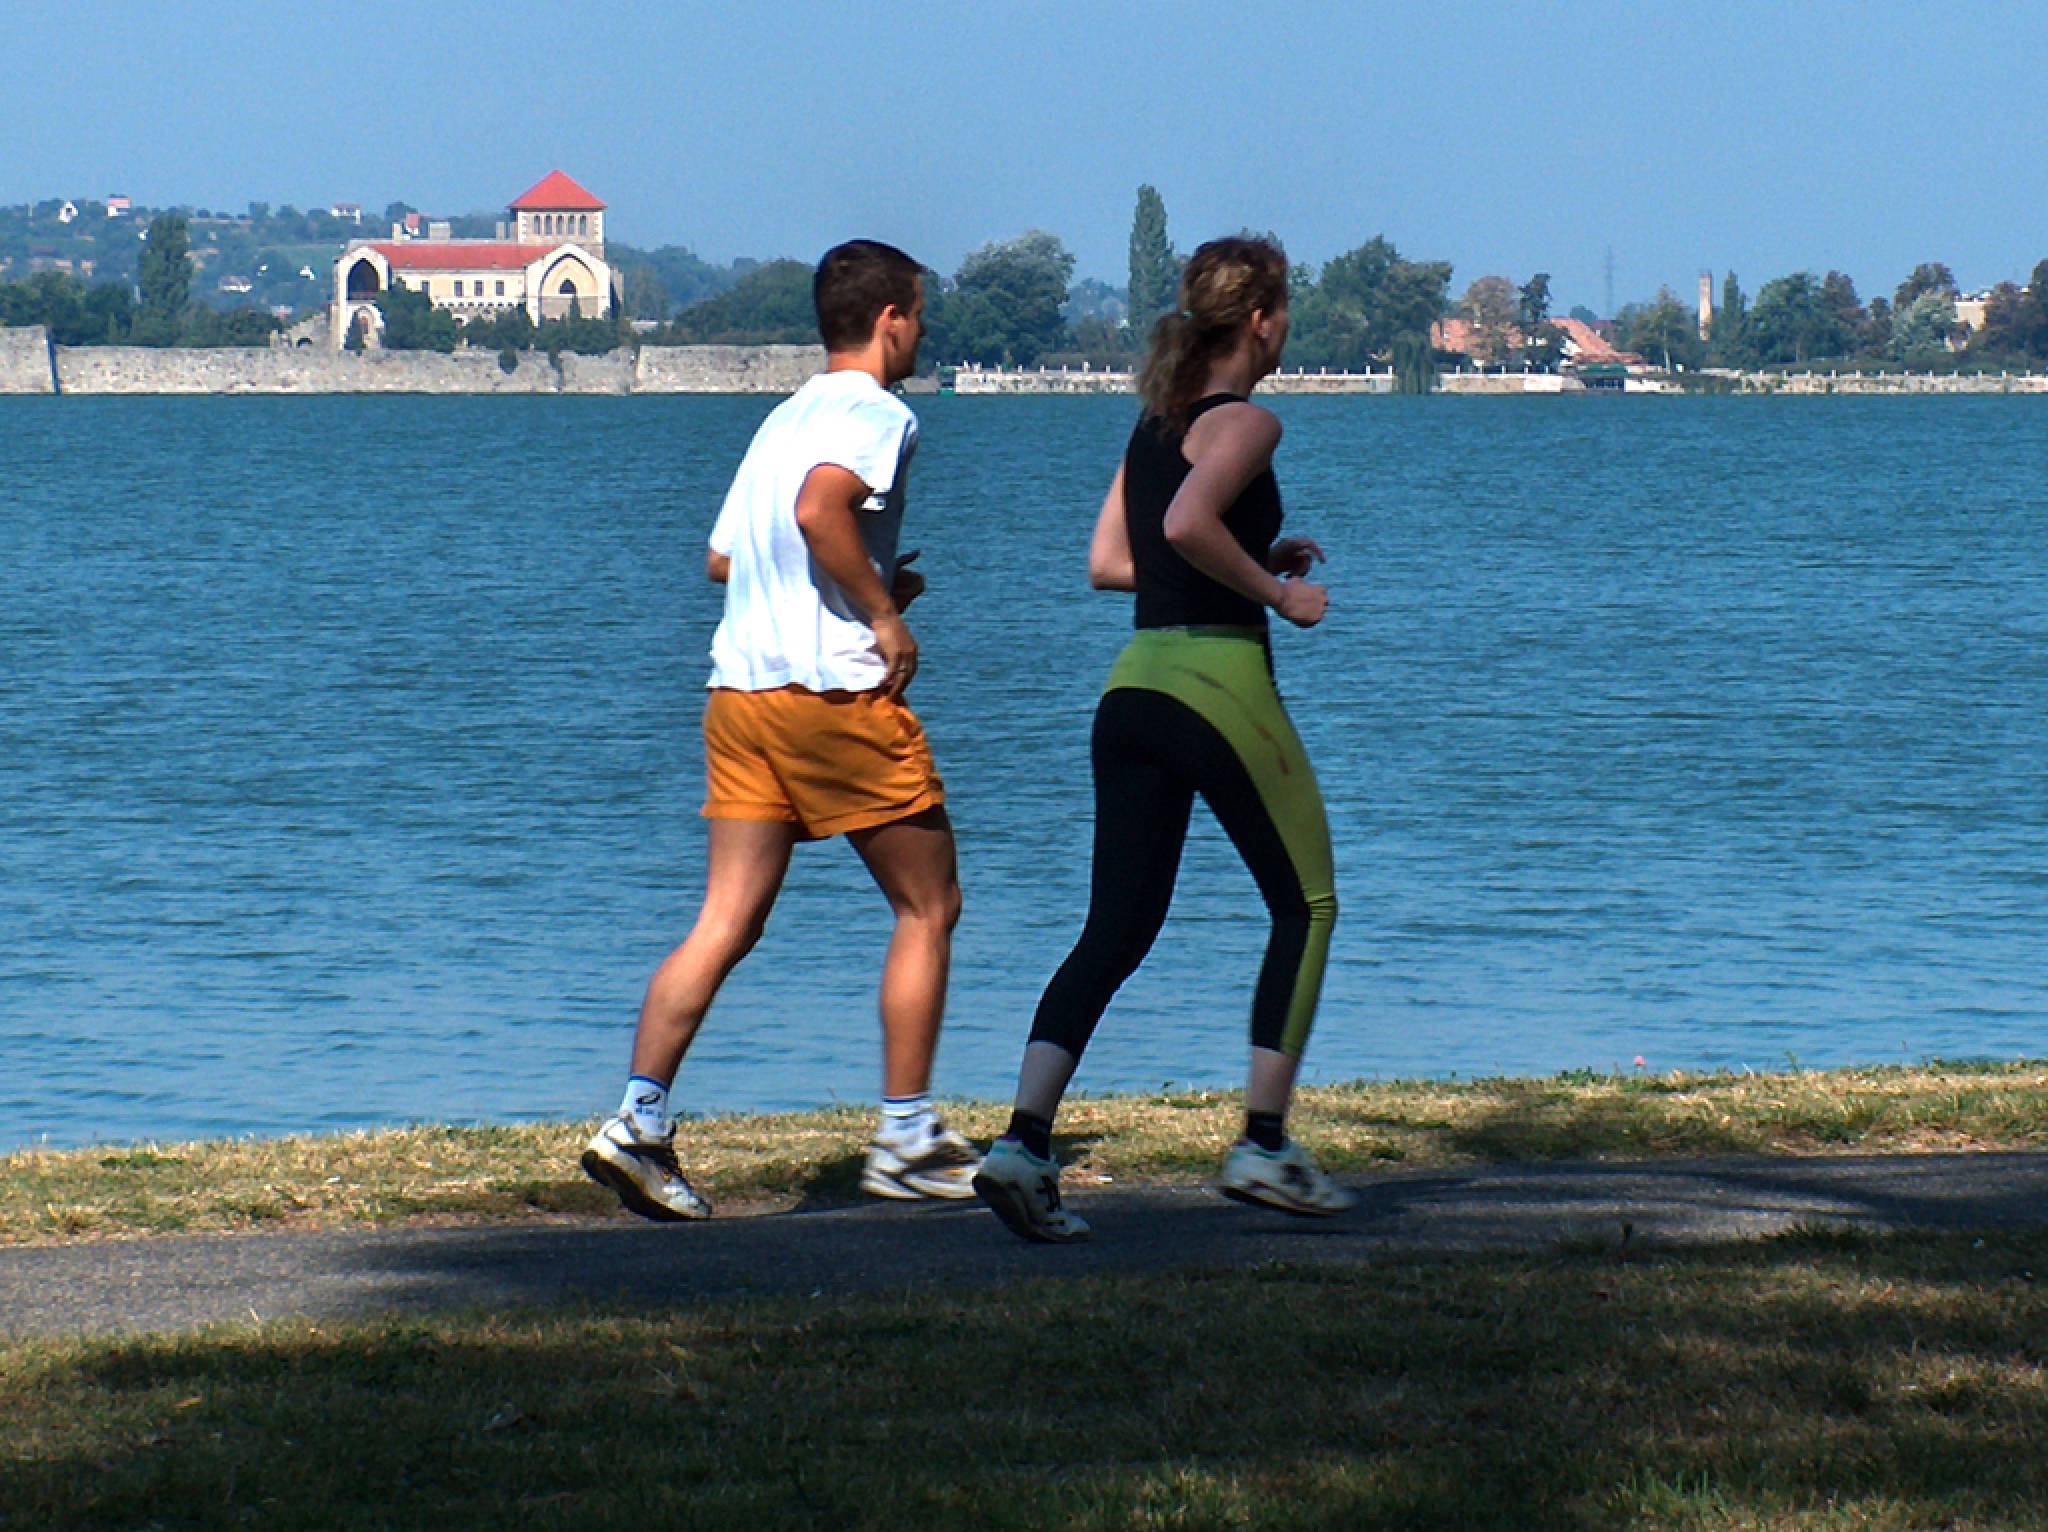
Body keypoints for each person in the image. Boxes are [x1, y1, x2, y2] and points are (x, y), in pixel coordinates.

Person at [583, 239, 978, 1220]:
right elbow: (817, 510)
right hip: (828, 696)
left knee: (726, 919)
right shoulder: (877, 413)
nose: (921, 332)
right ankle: (906, 1136)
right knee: (929, 905)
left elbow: (725, 557)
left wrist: (864, 579)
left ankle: (637, 1122)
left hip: (739, 694)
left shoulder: (783, 417)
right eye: (918, 314)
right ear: (888, 317)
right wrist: (880, 613)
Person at [972, 235, 1350, 1243]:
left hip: (1133, 688)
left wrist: (1246, 553)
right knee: (1307, 904)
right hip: (1216, 683)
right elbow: (1185, 526)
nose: (1286, 327)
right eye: (1284, 310)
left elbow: (1111, 559)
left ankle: (1022, 1144)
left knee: (1116, 926)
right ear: (1260, 319)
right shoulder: (1247, 421)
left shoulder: (1152, 423)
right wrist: (1276, 591)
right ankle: (1264, 1144)